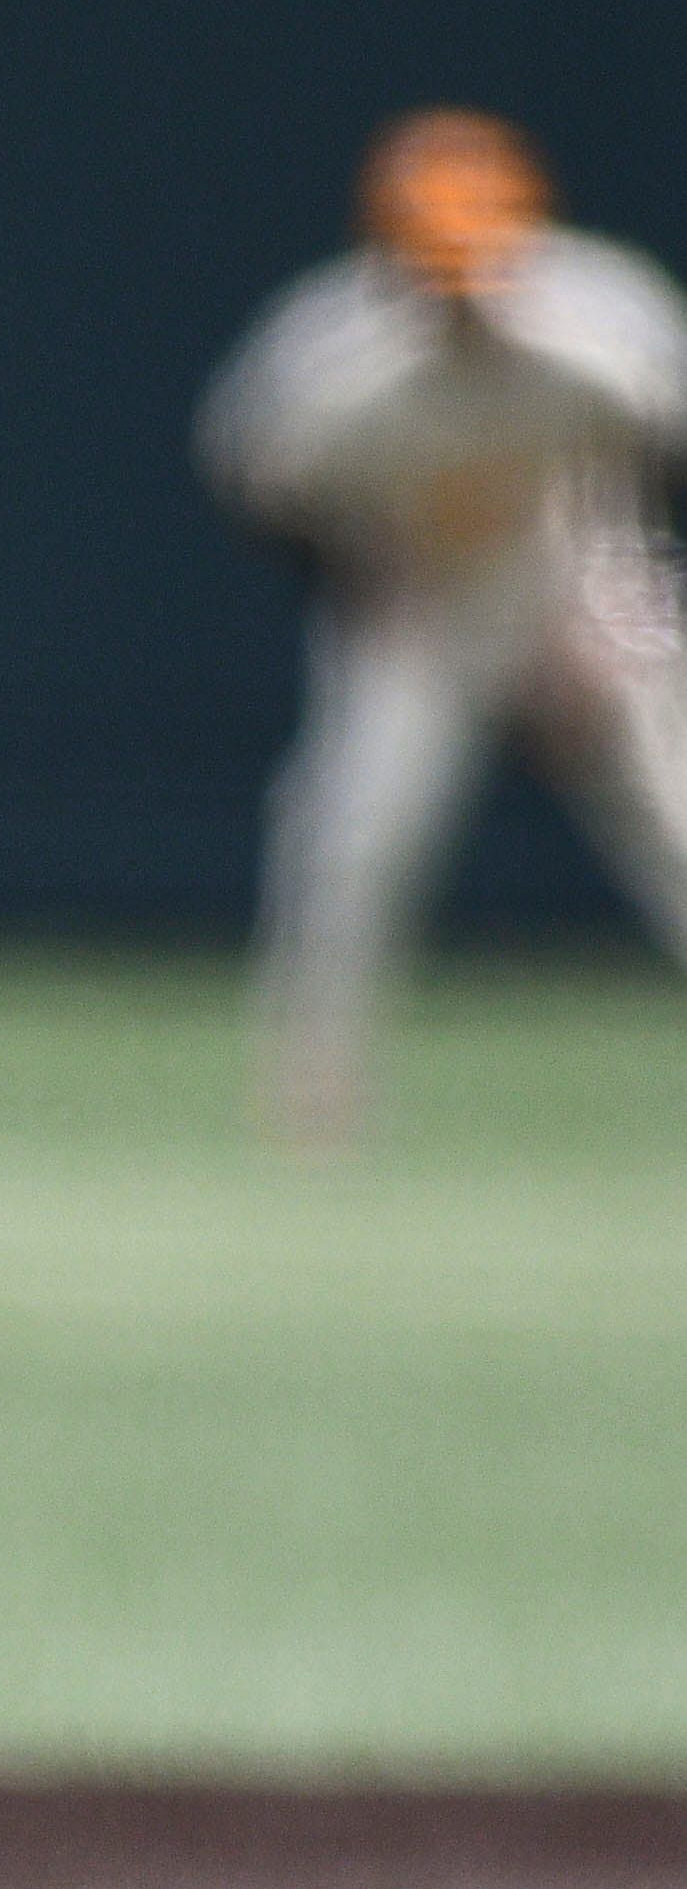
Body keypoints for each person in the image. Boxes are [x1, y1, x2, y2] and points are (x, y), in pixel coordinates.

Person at [201, 108, 687, 1144]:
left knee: (678, 825)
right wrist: (370, 590)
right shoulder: (328, 366)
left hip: (575, 574)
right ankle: (314, 1094)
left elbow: (646, 470)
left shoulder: (605, 328)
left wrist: (610, 614)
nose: (462, 294)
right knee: (352, 835)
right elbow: (266, 496)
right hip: (420, 604)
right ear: (386, 251)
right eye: (435, 263)